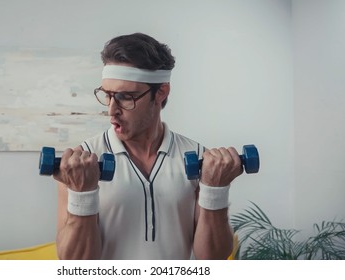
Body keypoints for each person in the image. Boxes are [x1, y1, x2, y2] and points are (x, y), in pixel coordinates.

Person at [53, 33, 243, 260]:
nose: (111, 110)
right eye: (107, 95)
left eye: (125, 96)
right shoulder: (80, 163)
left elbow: (212, 259)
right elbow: (76, 264)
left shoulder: (198, 158)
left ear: (161, 93)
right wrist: (82, 194)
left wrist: (215, 191)